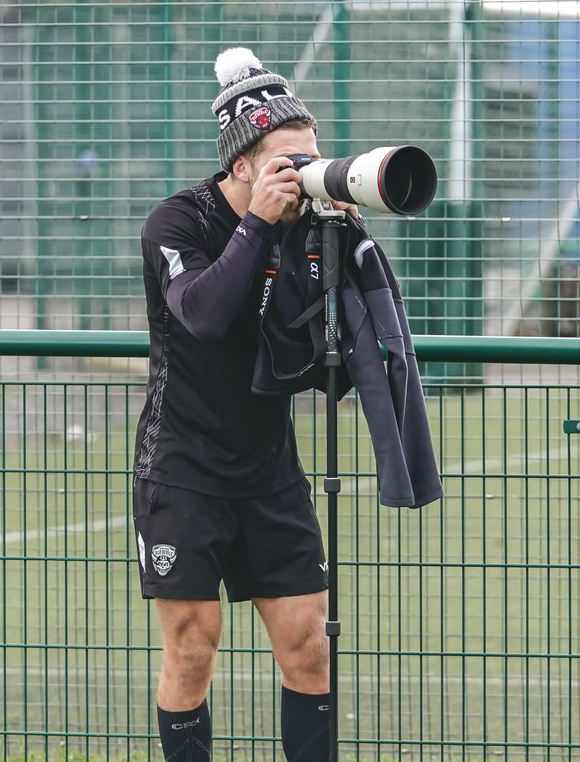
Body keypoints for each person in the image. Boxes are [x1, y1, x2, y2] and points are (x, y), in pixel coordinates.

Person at [132, 47, 350, 761]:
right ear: (242, 166)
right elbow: (201, 313)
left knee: (309, 645)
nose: (303, 170)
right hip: (183, 464)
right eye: (290, 159)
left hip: (268, 468)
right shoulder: (176, 223)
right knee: (193, 646)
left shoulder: (306, 222)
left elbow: (337, 339)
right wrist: (257, 226)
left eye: (311, 156)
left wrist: (342, 232)